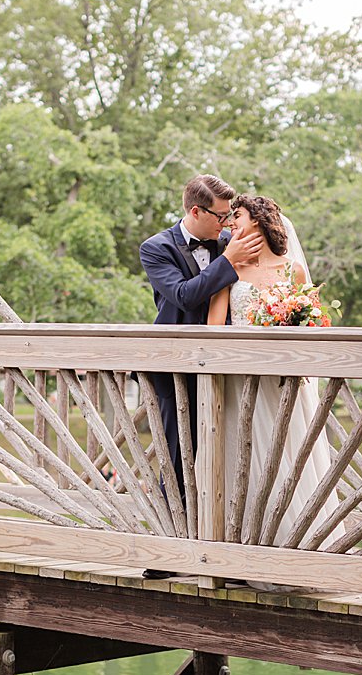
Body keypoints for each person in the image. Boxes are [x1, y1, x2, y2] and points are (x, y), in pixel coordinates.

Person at [206, 193, 336, 548]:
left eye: (239, 216)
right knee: (243, 457)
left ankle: (298, 546)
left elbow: (312, 326)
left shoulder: (292, 270)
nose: (232, 223)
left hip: (281, 381)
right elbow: (215, 327)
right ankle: (241, 546)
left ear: (259, 221)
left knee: (286, 456)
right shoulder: (229, 269)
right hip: (239, 380)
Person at [138, 174, 263, 503]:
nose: (225, 224)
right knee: (179, 457)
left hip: (228, 366)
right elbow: (184, 295)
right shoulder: (156, 248)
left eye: (228, 216)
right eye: (221, 216)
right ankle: (174, 534)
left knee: (229, 452)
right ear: (196, 211)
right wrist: (228, 261)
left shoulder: (227, 244)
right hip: (177, 366)